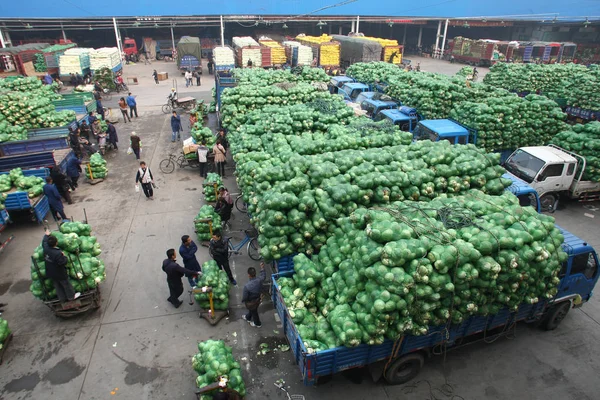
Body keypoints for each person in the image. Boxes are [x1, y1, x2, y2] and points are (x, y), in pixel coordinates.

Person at [42, 229, 81, 303]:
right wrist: (64, 256)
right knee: (66, 285)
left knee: (57, 286)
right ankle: (71, 297)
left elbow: (44, 242)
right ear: (56, 243)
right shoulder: (57, 253)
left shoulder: (46, 248)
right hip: (59, 273)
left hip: (50, 272)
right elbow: (62, 262)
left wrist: (46, 235)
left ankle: (62, 299)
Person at [241, 263, 266, 327]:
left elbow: (245, 297)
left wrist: (243, 301)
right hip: (258, 299)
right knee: (253, 310)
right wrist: (262, 268)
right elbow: (263, 276)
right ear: (255, 273)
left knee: (254, 312)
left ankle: (257, 323)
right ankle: (248, 317)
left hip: (251, 302)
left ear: (249, 275)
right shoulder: (259, 280)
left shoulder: (247, 286)